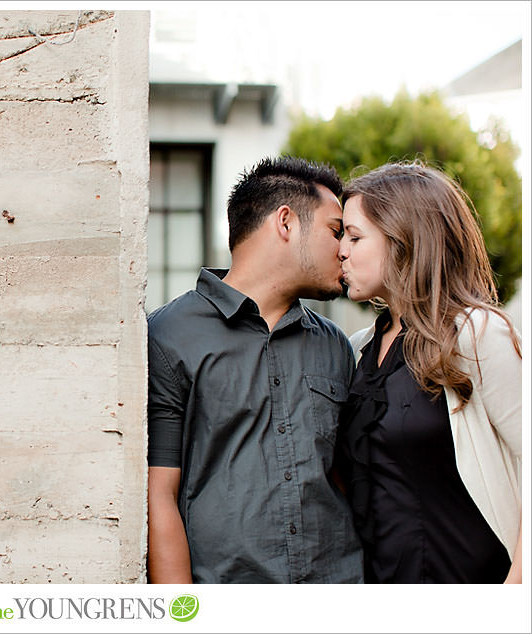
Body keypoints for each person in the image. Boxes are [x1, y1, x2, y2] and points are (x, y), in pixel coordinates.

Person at [147, 156, 363, 583]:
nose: (343, 249)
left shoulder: (335, 345)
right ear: (286, 222)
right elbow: (159, 496)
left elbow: (344, 479)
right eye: (335, 231)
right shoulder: (168, 336)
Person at [336, 160, 522, 583]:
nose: (341, 250)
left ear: (404, 239)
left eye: (355, 236)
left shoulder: (477, 336)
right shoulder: (358, 349)